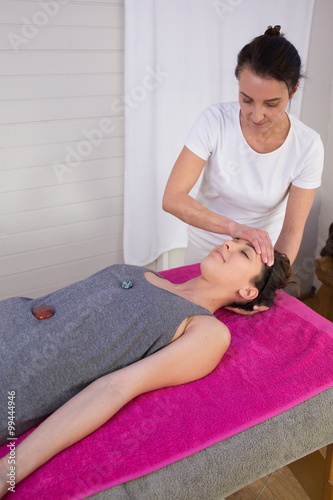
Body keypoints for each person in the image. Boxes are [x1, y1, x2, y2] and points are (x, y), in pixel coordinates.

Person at [0, 240, 293, 496]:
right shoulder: (137, 271)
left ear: (248, 292)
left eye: (245, 253)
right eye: (235, 239)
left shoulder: (207, 331)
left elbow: (115, 388)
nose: (229, 244)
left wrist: (8, 471)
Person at [163, 25, 324, 272]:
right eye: (246, 99)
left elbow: (292, 229)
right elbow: (173, 198)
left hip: (255, 264)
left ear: (293, 91)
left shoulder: (308, 146)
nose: (256, 115)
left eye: (271, 104)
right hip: (204, 251)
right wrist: (234, 229)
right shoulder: (214, 121)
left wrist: (270, 284)